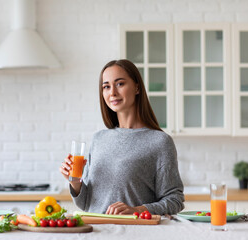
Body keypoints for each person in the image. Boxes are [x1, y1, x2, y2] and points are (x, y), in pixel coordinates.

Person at [59, 59, 184, 215]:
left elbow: (175, 200)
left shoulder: (160, 142)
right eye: (106, 86)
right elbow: (86, 204)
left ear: (137, 87)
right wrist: (75, 182)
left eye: (120, 84)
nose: (112, 93)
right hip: (96, 232)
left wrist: (137, 210)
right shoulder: (99, 139)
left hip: (134, 233)